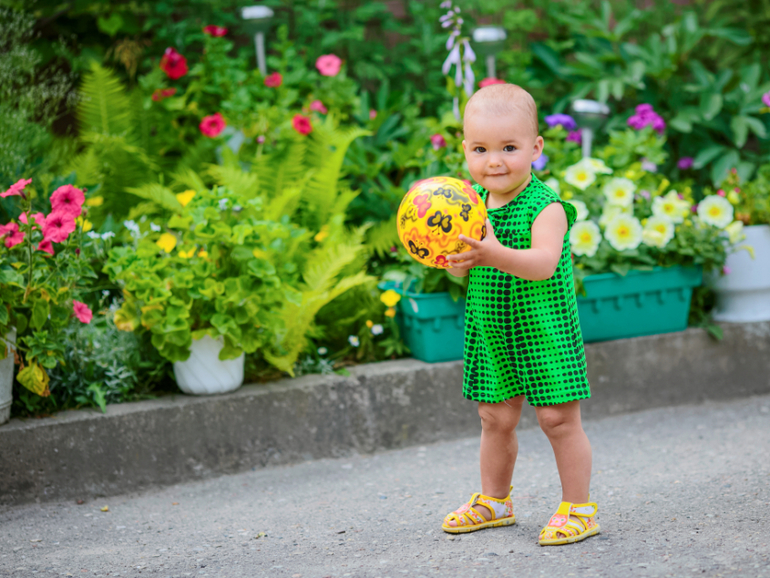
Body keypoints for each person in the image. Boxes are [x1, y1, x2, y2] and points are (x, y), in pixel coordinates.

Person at [442, 83, 599, 546]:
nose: (494, 161)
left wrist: (491, 254)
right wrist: (458, 264)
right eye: (481, 149)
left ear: (535, 148)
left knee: (557, 419)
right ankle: (495, 500)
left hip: (545, 331)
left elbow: (543, 264)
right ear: (465, 150)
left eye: (509, 148)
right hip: (493, 331)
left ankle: (580, 507)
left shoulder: (545, 206)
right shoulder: (469, 204)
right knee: (494, 418)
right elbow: (466, 269)